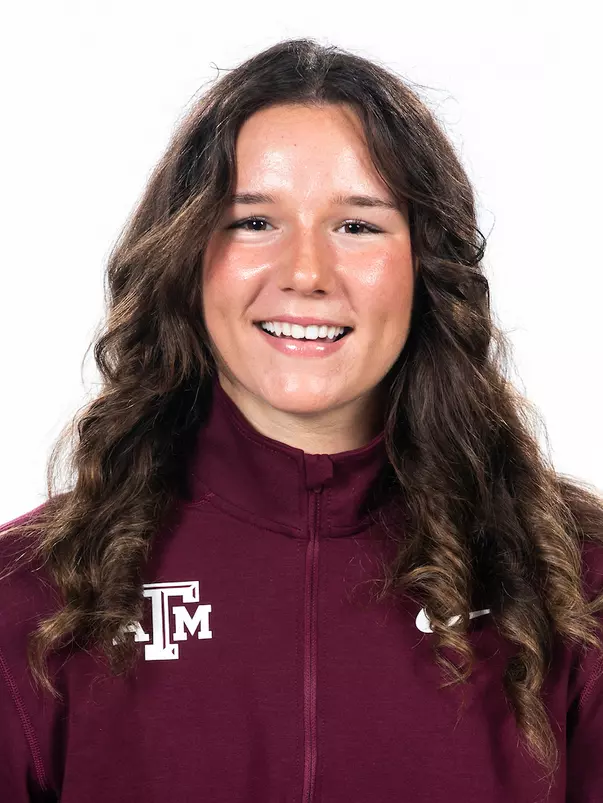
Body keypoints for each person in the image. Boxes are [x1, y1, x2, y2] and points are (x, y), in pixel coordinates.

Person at [1, 37, 602, 803]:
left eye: (358, 225)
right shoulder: (33, 599)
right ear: (186, 259)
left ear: (427, 266)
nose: (306, 274)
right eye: (253, 222)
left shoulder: (573, 590)